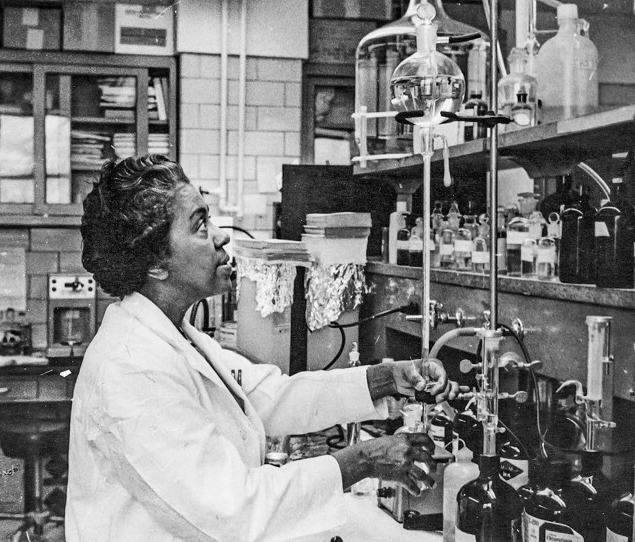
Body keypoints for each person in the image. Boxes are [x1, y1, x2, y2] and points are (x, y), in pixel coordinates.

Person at [66, 154, 462, 541]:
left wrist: (388, 378)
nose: (221, 236)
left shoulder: (176, 336)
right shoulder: (131, 368)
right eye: (200, 226)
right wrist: (365, 460)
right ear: (156, 263)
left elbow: (267, 396)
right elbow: (232, 509)